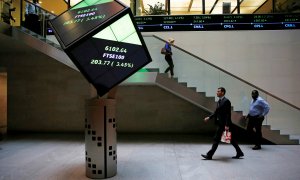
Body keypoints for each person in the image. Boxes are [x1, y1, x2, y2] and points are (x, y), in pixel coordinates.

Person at [201, 87, 244, 160]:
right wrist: (209, 117)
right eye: (217, 91)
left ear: (223, 92)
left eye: (218, 91)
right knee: (231, 139)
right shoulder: (220, 101)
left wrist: (227, 125)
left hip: (225, 124)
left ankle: (209, 155)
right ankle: (239, 152)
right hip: (221, 123)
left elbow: (228, 114)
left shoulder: (226, 101)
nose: (217, 92)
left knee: (216, 139)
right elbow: (216, 112)